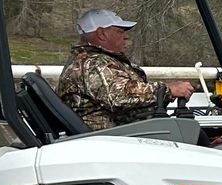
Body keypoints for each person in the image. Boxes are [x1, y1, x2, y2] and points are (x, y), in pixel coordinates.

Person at [55, 8, 194, 131]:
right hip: (114, 140)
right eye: (120, 31)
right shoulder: (92, 63)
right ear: (101, 34)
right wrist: (168, 90)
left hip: (126, 134)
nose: (126, 36)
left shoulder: (95, 60)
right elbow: (119, 96)